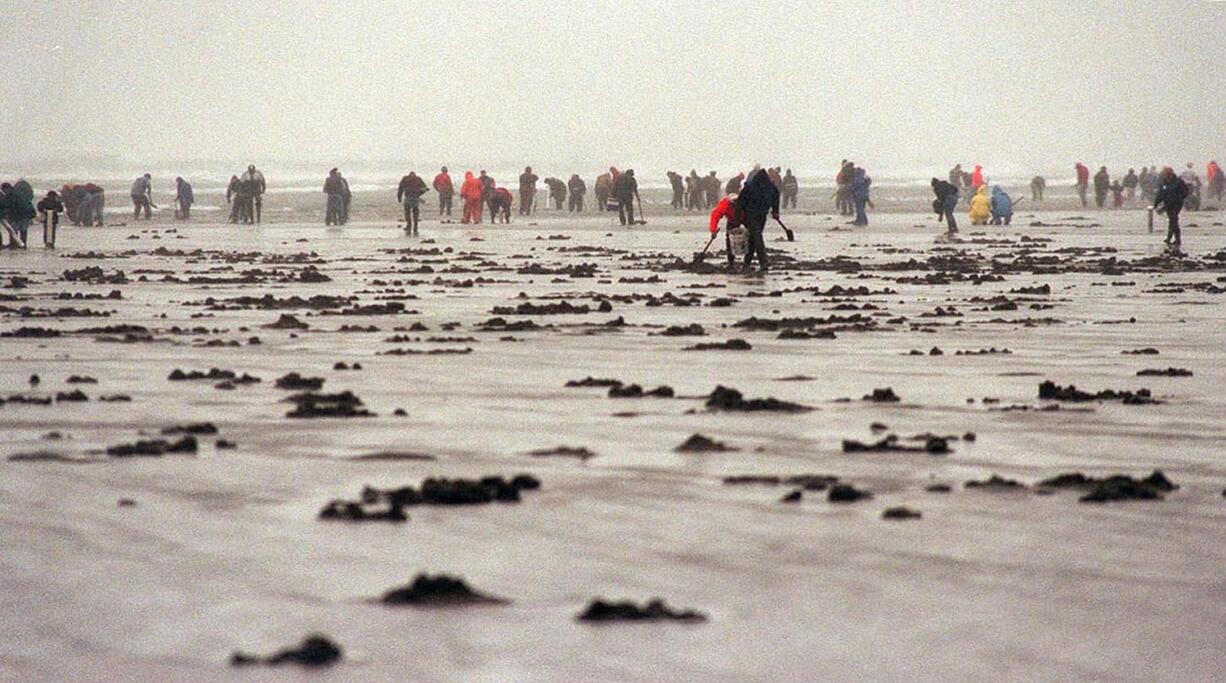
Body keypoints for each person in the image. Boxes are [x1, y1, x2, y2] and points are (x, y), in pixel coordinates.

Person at [737, 168, 780, 272]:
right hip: (760, 215)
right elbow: (776, 198)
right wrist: (775, 211)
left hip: (752, 215)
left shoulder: (751, 186)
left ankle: (748, 263)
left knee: (754, 238)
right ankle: (762, 262)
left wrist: (740, 213)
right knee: (757, 237)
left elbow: (741, 200)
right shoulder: (770, 186)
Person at [708, 192, 745, 269]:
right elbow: (715, 215)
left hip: (746, 217)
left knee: (752, 237)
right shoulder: (725, 203)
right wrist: (713, 230)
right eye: (734, 203)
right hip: (732, 219)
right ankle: (731, 261)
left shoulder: (746, 202)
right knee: (729, 238)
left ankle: (748, 261)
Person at [1154, 167, 1188, 247]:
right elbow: (1160, 194)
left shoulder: (1179, 182)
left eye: (1167, 174)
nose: (1166, 175)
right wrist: (1156, 204)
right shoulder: (1163, 182)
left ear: (1171, 173)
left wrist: (1179, 199)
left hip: (1176, 204)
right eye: (1165, 174)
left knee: (1173, 220)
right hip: (1167, 204)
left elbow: (1185, 192)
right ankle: (1170, 238)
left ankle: (1176, 239)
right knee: (1172, 221)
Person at [1, 181, 35, 248]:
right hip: (26, 212)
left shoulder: (10, 194)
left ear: (5, 188)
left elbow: (7, 204)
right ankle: (23, 243)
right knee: (23, 229)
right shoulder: (18, 192)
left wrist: (5, 213)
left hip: (17, 213)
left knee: (14, 229)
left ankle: (14, 244)